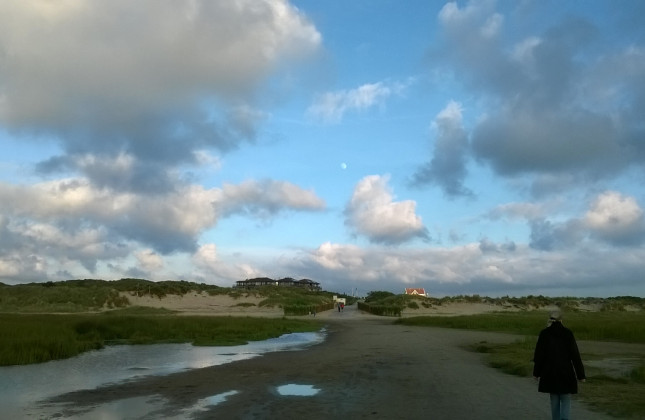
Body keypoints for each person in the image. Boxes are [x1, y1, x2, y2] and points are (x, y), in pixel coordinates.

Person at [533, 311, 586, 420]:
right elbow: (575, 355)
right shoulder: (568, 333)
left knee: (554, 401)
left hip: (549, 372)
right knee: (566, 400)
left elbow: (539, 356)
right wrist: (581, 375)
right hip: (566, 372)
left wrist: (536, 373)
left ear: (550, 319)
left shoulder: (544, 333)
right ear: (561, 320)